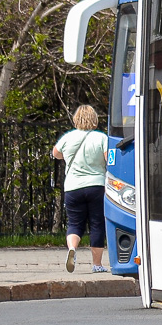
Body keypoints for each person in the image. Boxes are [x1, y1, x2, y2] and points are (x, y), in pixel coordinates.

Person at [52, 105, 110, 273]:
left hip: (72, 187)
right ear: (94, 119)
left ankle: (72, 249)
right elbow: (109, 159)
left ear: (76, 119)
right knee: (97, 224)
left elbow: (55, 153)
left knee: (75, 223)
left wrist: (68, 157)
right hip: (96, 186)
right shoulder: (101, 138)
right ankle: (97, 264)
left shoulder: (67, 138)